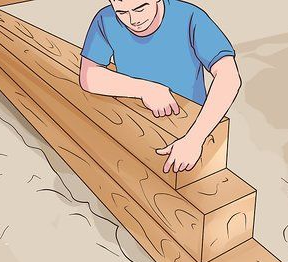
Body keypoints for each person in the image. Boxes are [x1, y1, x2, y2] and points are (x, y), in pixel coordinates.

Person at [79, 0, 241, 173]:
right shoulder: (105, 19)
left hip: (190, 127)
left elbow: (229, 77)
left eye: (140, 8)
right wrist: (144, 89)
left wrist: (194, 139)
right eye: (122, 13)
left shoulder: (190, 17)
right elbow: (89, 76)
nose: (133, 20)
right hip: (133, 123)